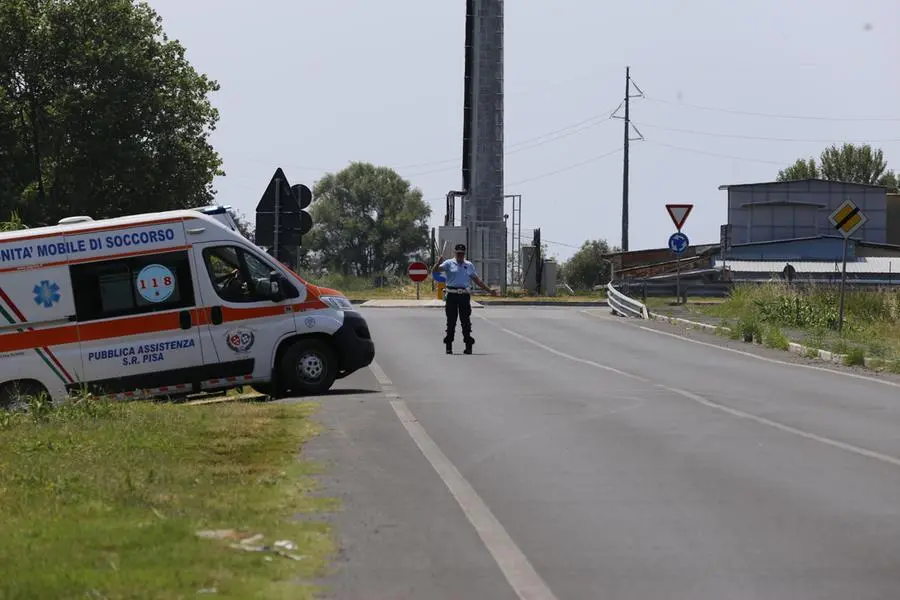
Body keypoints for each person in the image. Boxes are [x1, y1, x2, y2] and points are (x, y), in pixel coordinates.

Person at [432, 243, 498, 355]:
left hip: (464, 295)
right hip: (452, 294)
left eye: (462, 254)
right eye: (458, 254)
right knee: (451, 321)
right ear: (455, 253)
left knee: (465, 322)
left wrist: (489, 290)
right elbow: (435, 271)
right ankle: (449, 345)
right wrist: (438, 262)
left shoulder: (469, 265)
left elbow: (477, 280)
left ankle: (468, 345)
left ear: (464, 254)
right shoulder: (448, 263)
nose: (460, 256)